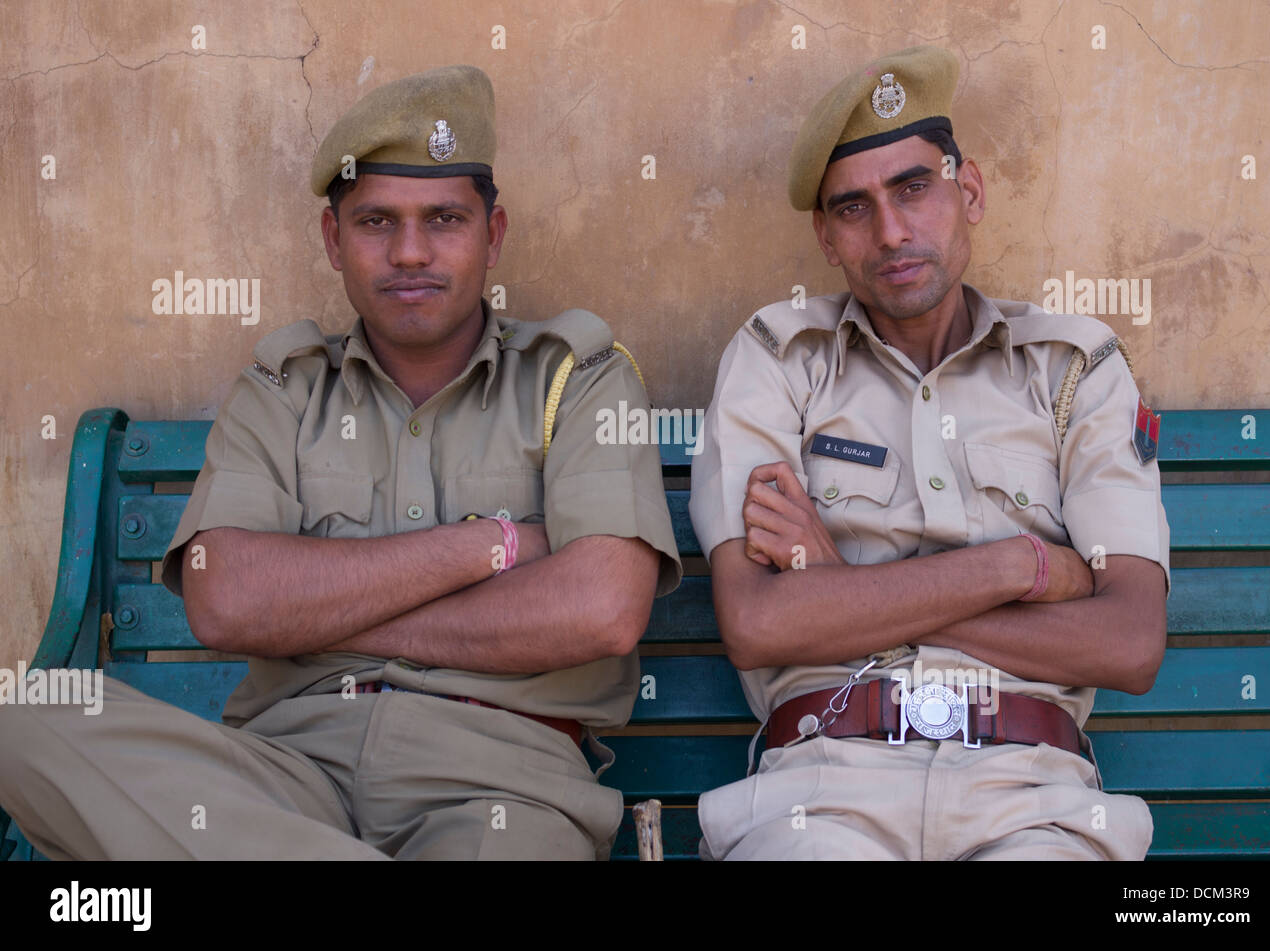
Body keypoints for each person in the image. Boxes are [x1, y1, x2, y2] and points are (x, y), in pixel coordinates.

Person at [0, 64, 681, 860]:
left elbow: (602, 607)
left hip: (500, 783)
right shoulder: (284, 390)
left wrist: (326, 611)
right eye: (375, 222)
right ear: (333, 239)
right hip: (281, 777)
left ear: (493, 235)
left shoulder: (579, 377)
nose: (411, 252)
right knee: (33, 712)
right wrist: (486, 546)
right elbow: (225, 599)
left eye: (445, 219)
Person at [688, 45, 1170, 860]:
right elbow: (759, 621)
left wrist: (840, 591)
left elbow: (1127, 641)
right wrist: (1018, 568)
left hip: (1032, 799)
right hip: (823, 793)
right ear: (827, 237)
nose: (891, 230)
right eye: (853, 208)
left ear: (968, 190)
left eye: (914, 187)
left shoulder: (1073, 366)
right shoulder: (777, 358)